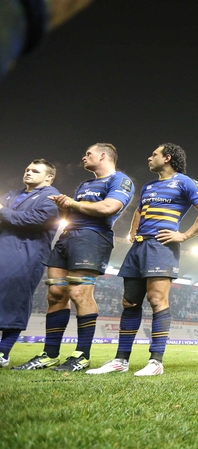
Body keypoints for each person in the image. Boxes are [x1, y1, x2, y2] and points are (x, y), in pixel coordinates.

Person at [87, 143, 198, 376]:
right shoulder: (148, 186)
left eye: (154, 154)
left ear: (167, 158)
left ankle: (156, 361)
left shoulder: (185, 182)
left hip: (161, 246)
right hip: (139, 247)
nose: (149, 157)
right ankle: (121, 360)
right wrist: (133, 233)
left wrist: (184, 235)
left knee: (157, 299)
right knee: (129, 302)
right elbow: (138, 210)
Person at [12, 144, 134, 371]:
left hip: (92, 238)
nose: (84, 157)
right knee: (55, 294)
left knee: (79, 292)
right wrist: (64, 206)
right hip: (67, 237)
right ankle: (49, 354)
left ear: (103, 155)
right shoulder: (85, 185)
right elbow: (72, 211)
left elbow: (110, 207)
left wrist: (73, 203)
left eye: (88, 153)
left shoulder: (119, 180)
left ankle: (82, 355)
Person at [0, 159, 60, 367]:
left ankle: (3, 352)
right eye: (27, 169)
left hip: (26, 255)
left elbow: (33, 220)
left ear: (49, 177)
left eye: (35, 171)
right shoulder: (11, 194)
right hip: (3, 249)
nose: (28, 173)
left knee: (15, 300)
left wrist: (3, 212)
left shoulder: (52, 197)